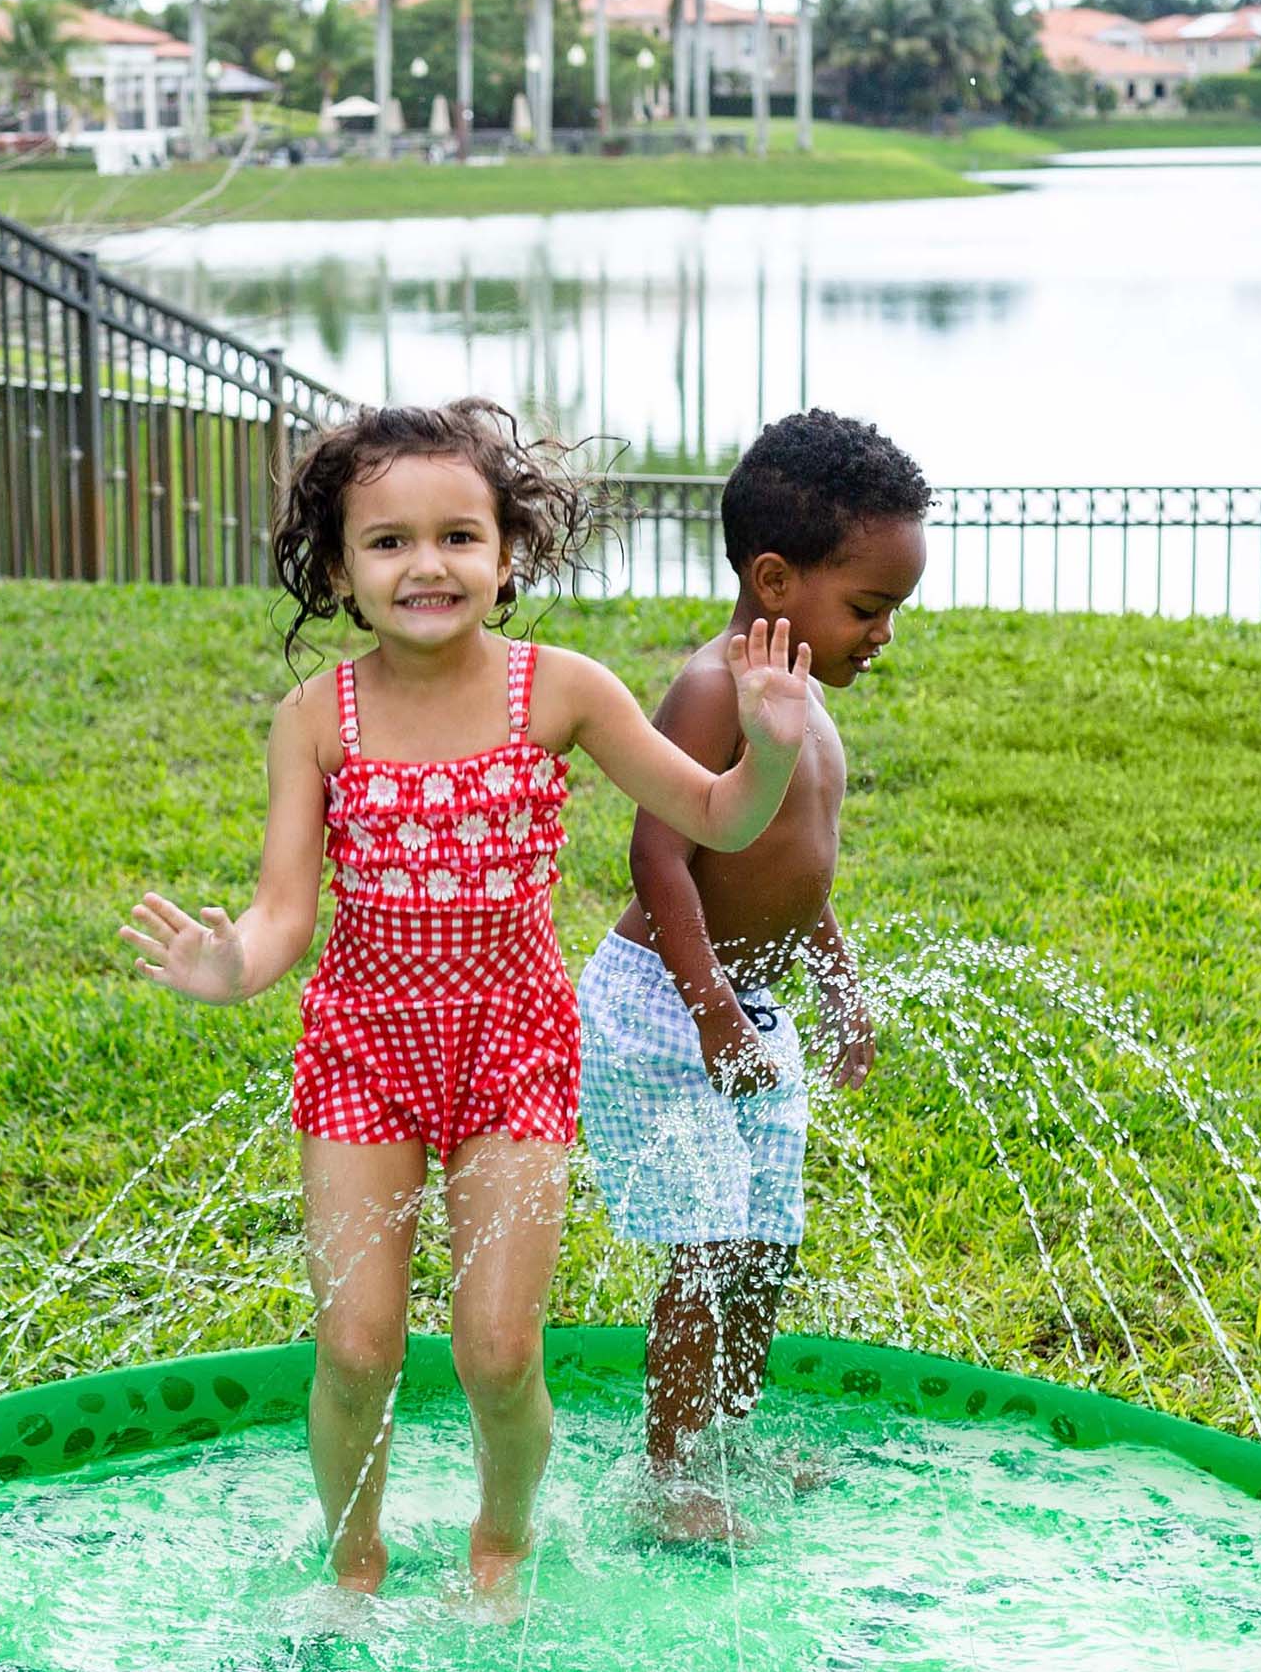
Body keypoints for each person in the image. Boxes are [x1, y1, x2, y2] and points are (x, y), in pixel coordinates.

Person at [121, 399, 817, 1596]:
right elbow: (288, 910)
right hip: (364, 1046)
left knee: (498, 1351)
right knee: (355, 1347)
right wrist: (231, 967)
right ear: (337, 568)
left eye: (458, 537)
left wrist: (766, 749)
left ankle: (502, 1540)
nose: (425, 565)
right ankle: (355, 1561)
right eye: (387, 542)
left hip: (515, 1046)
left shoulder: (560, 690)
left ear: (507, 556)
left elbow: (714, 816)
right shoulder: (315, 721)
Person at [574, 411, 932, 1539]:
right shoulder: (712, 688)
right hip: (668, 1006)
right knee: (711, 1237)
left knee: (766, 1243)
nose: (880, 635)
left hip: (751, 1009)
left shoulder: (800, 695)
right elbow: (659, 854)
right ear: (774, 579)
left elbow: (797, 873)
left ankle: (727, 1431)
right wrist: (713, 1009)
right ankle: (672, 1471)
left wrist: (841, 986)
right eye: (867, 608)